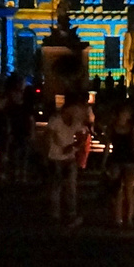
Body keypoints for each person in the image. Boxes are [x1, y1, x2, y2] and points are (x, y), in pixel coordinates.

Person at [44, 94, 92, 226]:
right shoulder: (56, 120)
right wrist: (49, 150)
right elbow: (48, 135)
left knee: (70, 187)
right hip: (55, 158)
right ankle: (55, 215)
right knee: (56, 187)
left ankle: (70, 214)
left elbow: (83, 135)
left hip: (69, 158)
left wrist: (73, 146)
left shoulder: (75, 121)